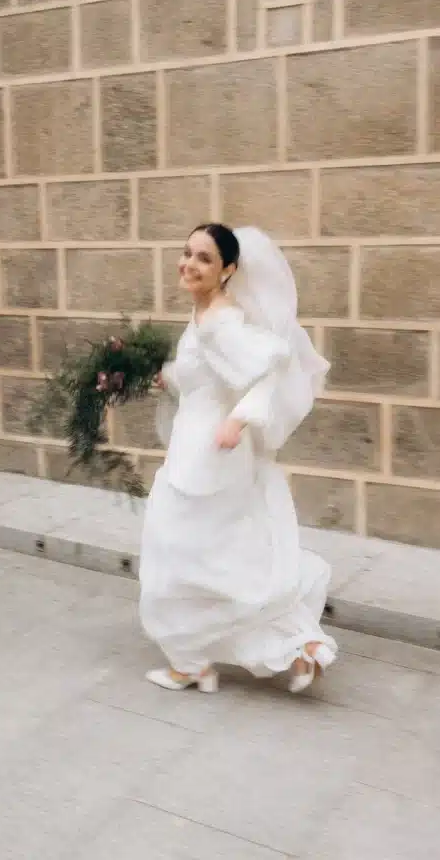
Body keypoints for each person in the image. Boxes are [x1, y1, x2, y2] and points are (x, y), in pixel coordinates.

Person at [139, 223, 337, 695]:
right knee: (219, 556)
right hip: (199, 448)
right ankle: (296, 644)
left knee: (178, 554)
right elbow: (207, 373)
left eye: (204, 258)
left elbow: (269, 364)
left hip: (209, 454)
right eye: (187, 253)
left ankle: (195, 662)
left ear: (228, 269)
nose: (189, 264)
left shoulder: (221, 319)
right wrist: (166, 378)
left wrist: (240, 419)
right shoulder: (207, 314)